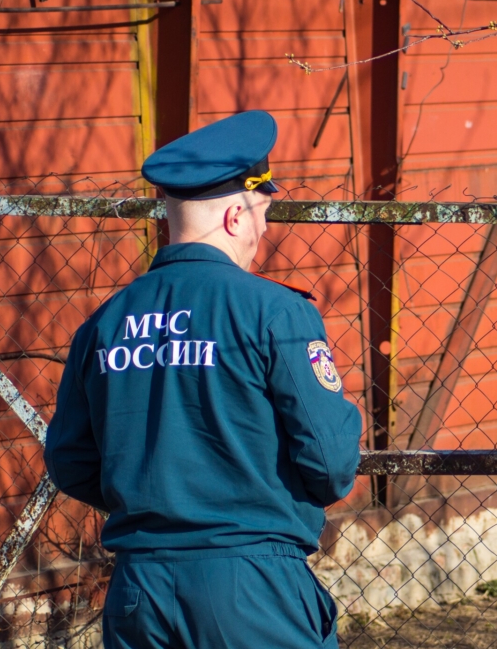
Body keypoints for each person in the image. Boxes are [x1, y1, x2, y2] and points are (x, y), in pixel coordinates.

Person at [44, 110, 363, 649]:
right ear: (236, 216)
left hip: (138, 591)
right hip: (251, 586)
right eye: (262, 213)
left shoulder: (105, 323)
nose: (263, 230)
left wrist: (156, 495)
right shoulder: (274, 314)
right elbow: (331, 465)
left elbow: (71, 462)